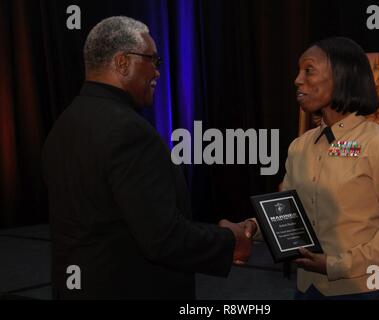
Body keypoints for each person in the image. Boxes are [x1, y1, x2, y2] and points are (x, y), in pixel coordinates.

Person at [42, 16, 251, 300]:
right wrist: (230, 241)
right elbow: (163, 240)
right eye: (152, 60)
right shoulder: (128, 131)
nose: (157, 73)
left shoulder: (64, 124)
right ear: (123, 63)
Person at [230, 37, 379, 300]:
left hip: (367, 290)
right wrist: (250, 227)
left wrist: (338, 265)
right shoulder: (300, 146)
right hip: (309, 289)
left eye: (308, 71)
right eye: (298, 72)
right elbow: (288, 216)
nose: (297, 80)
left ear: (341, 77)